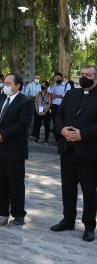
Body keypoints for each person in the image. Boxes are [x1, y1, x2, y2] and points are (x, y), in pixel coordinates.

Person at [50, 66, 97, 242]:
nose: (84, 77)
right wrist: (61, 130)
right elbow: (58, 115)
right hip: (68, 150)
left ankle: (89, 226)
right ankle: (68, 220)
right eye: (82, 74)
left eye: (89, 75)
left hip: (89, 153)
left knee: (89, 191)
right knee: (67, 188)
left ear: (96, 78)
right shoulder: (71, 94)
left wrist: (82, 134)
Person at [0, 73, 33, 225]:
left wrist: (3, 135)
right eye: (3, 83)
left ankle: (18, 214)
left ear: (17, 85)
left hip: (13, 149)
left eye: (8, 83)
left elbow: (22, 124)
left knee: (16, 183)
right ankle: (1, 208)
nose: (4, 85)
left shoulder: (25, 101)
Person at [49, 72, 70, 142]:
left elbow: (66, 95)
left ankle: (62, 138)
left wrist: (56, 96)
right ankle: (56, 139)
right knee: (55, 122)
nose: (57, 79)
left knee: (62, 122)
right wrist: (53, 82)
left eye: (58, 78)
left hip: (63, 106)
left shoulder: (67, 85)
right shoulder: (54, 85)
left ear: (62, 78)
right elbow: (50, 91)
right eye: (56, 78)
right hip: (54, 106)